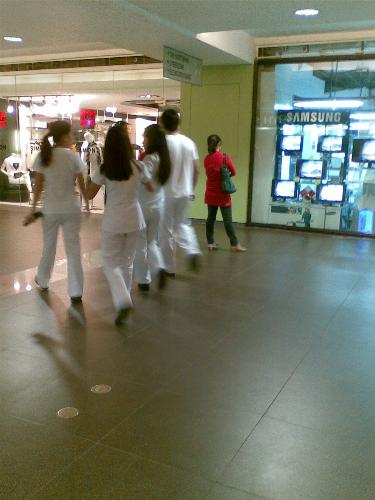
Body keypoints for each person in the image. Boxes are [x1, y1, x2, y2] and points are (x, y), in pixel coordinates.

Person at [86, 123, 152, 325]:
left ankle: (123, 301)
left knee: (109, 263)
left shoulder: (106, 169)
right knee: (127, 262)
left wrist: (85, 179)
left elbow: (89, 193)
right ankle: (126, 299)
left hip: (114, 220)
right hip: (135, 219)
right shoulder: (139, 166)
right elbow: (151, 186)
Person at [24, 120, 88, 303]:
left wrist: (33, 209)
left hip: (50, 209)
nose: (73, 137)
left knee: (49, 247)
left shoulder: (44, 156)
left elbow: (38, 186)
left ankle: (43, 280)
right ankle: (76, 291)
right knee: (73, 249)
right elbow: (81, 181)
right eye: (71, 134)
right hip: (71, 209)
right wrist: (86, 202)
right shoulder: (73, 156)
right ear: (65, 136)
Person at [160, 109, 201, 276]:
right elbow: (197, 169)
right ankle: (192, 250)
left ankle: (169, 268)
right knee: (182, 224)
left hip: (165, 193)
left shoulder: (162, 143)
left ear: (162, 123)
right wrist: (191, 188)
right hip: (185, 191)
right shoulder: (189, 143)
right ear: (178, 123)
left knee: (166, 231)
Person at [133, 124, 171, 291]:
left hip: (143, 205)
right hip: (158, 205)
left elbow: (143, 177)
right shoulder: (165, 159)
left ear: (152, 139)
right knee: (152, 241)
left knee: (140, 244)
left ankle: (143, 280)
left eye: (145, 137)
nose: (143, 140)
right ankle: (159, 267)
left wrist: (134, 164)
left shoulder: (149, 159)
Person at [204, 134, 246, 252]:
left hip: (210, 193)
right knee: (227, 220)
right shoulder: (224, 157)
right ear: (219, 145)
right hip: (223, 193)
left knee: (210, 219)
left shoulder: (206, 158)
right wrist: (225, 175)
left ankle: (210, 243)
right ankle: (234, 244)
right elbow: (233, 172)